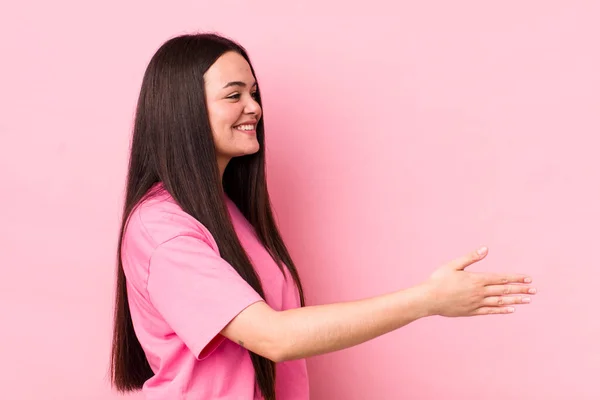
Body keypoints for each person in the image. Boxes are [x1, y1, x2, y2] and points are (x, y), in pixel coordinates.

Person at [109, 33, 536, 400]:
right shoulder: (161, 227)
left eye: (254, 93)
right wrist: (428, 300)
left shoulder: (227, 212)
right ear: (182, 111)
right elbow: (273, 337)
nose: (254, 107)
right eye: (234, 94)